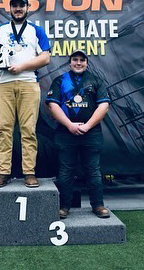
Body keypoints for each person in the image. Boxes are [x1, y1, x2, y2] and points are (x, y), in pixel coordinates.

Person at [0, 0, 50, 188]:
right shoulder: (0, 30)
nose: (18, 9)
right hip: (3, 83)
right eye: (14, 6)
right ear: (10, 9)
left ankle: (29, 172)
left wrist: (22, 67)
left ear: (28, 8)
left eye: (21, 5)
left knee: (28, 129)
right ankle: (3, 172)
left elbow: (45, 58)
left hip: (28, 82)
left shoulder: (36, 31)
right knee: (3, 129)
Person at [45, 50, 111, 219]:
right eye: (75, 59)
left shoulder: (96, 80)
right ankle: (64, 206)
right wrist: (70, 125)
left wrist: (87, 126)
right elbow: (53, 105)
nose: (79, 63)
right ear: (70, 62)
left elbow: (103, 106)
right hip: (65, 133)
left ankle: (98, 205)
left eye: (82, 60)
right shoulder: (60, 80)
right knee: (65, 172)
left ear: (87, 63)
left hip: (91, 133)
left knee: (93, 172)